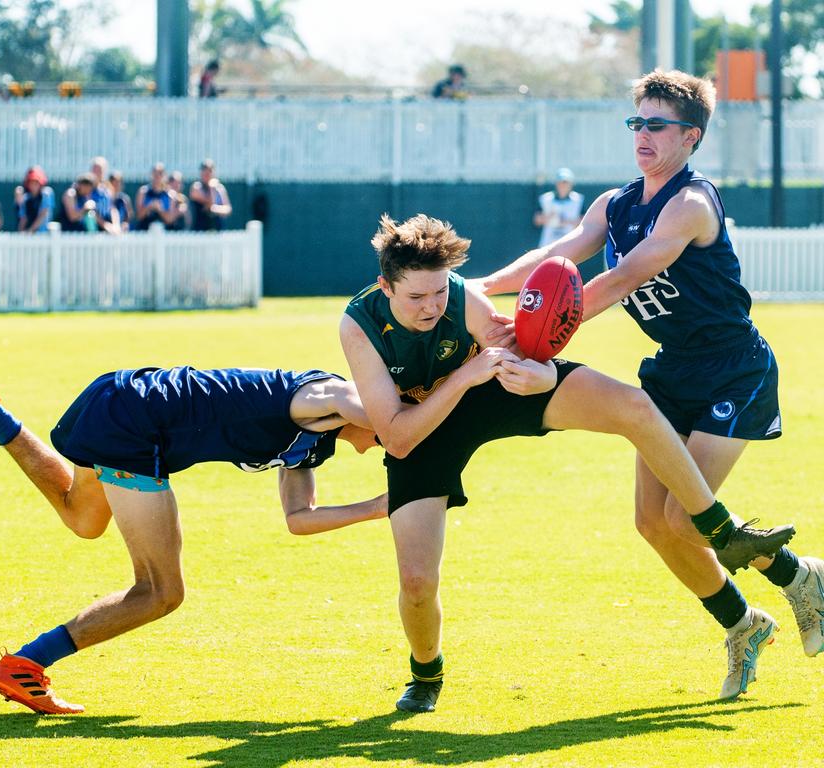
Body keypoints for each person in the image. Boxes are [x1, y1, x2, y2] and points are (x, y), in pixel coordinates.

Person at [339, 212, 795, 714]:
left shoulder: (462, 296)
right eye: (416, 298)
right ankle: (426, 675)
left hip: (496, 389)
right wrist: (466, 376)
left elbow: (523, 350)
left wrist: (540, 376)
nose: (431, 307)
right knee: (418, 582)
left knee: (635, 408)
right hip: (423, 427)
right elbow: (398, 438)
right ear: (385, 286)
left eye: (439, 293)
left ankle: (721, 529)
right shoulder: (359, 326)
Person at [477, 69, 824, 699]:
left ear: (690, 137)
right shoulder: (612, 204)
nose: (642, 134)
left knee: (686, 519)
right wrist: (479, 288)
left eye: (656, 124)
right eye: (636, 121)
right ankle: (743, 624)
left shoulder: (690, 204)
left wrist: (541, 336)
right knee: (651, 522)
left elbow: (620, 279)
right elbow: (561, 257)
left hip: (732, 366)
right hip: (670, 369)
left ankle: (802, 576)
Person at [0, 367, 385, 714]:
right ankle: (25, 664)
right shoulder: (331, 396)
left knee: (82, 519)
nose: (385, 446)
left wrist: (385, 504)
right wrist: (407, 421)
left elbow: (299, 519)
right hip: (133, 424)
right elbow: (361, 403)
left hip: (117, 400)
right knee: (160, 592)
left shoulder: (314, 443)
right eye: (386, 436)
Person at [534, 168, 584, 247]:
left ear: (571, 184)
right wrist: (551, 217)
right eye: (560, 182)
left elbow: (584, 222)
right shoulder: (546, 199)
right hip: (548, 244)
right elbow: (537, 220)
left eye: (565, 183)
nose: (563, 185)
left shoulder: (578, 200)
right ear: (556, 183)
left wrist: (566, 222)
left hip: (569, 244)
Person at [190, 159, 231, 231]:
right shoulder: (196, 187)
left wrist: (214, 209)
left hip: (218, 229)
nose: (207, 174)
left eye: (210, 171)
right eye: (205, 171)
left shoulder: (220, 188)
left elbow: (228, 209)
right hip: (200, 230)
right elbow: (210, 203)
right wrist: (211, 188)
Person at [134, 163, 179, 231]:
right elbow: (139, 216)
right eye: (155, 174)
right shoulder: (143, 192)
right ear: (151, 175)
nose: (157, 177)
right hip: (144, 233)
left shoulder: (171, 195)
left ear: (165, 176)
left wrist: (160, 209)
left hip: (166, 234)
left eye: (160, 174)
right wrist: (149, 207)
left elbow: (170, 220)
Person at [15, 166, 55, 234]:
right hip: (28, 236)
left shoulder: (46, 194)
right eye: (31, 182)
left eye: (36, 182)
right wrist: (21, 234)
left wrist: (30, 231)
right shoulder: (26, 198)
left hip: (43, 236)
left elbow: (43, 214)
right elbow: (23, 218)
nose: (33, 185)